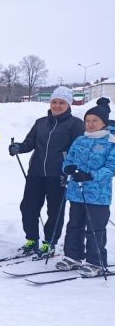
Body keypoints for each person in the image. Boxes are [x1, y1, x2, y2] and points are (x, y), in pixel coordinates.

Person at [8, 86, 84, 256]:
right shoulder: (41, 122)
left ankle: (49, 243)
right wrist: (18, 147)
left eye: (61, 102)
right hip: (36, 173)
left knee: (54, 211)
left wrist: (72, 169)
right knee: (28, 207)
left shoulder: (75, 124)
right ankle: (31, 239)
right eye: (54, 102)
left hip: (59, 175)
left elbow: (78, 150)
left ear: (68, 104)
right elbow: (29, 143)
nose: (57, 106)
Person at [57, 98, 115, 276]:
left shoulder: (110, 142)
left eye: (95, 121)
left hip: (98, 195)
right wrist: (67, 167)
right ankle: (72, 257)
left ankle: (95, 261)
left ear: (103, 122)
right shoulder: (80, 140)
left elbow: (111, 168)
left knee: (95, 227)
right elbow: (69, 159)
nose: (90, 124)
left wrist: (91, 175)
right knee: (74, 224)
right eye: (87, 121)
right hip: (76, 192)